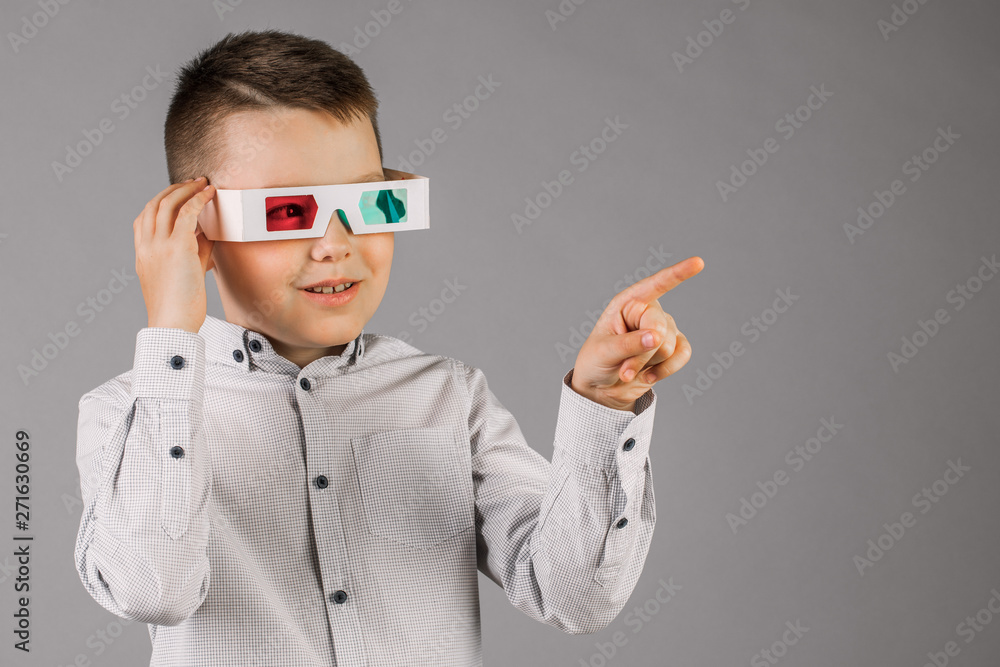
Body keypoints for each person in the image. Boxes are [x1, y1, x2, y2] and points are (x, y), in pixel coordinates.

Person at [73, 28, 703, 666]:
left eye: (367, 201)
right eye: (289, 212)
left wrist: (604, 401)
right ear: (195, 229)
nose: (334, 243)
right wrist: (173, 335)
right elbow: (153, 589)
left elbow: (576, 596)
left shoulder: (447, 399)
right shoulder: (129, 414)